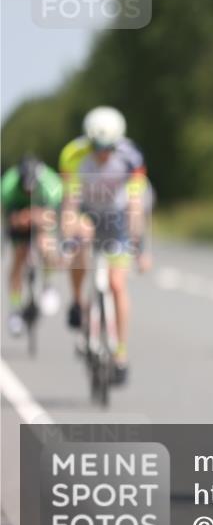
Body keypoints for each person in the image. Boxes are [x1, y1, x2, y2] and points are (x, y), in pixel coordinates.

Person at [60, 106, 148, 382]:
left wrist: (140, 248)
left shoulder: (131, 157)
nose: (102, 153)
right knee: (80, 239)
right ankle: (77, 302)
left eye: (108, 148)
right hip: (87, 211)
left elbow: (136, 206)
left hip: (117, 216)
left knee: (117, 284)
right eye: (97, 147)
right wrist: (68, 240)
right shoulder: (73, 155)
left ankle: (120, 352)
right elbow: (69, 203)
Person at [1, 156, 63, 335]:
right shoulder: (8, 185)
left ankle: (48, 284)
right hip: (17, 214)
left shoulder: (51, 183)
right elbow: (7, 217)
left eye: (32, 188)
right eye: (25, 188)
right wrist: (18, 219)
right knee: (18, 258)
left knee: (45, 244)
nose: (28, 191)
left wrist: (36, 216)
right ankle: (15, 308)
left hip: (42, 213)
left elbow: (53, 217)